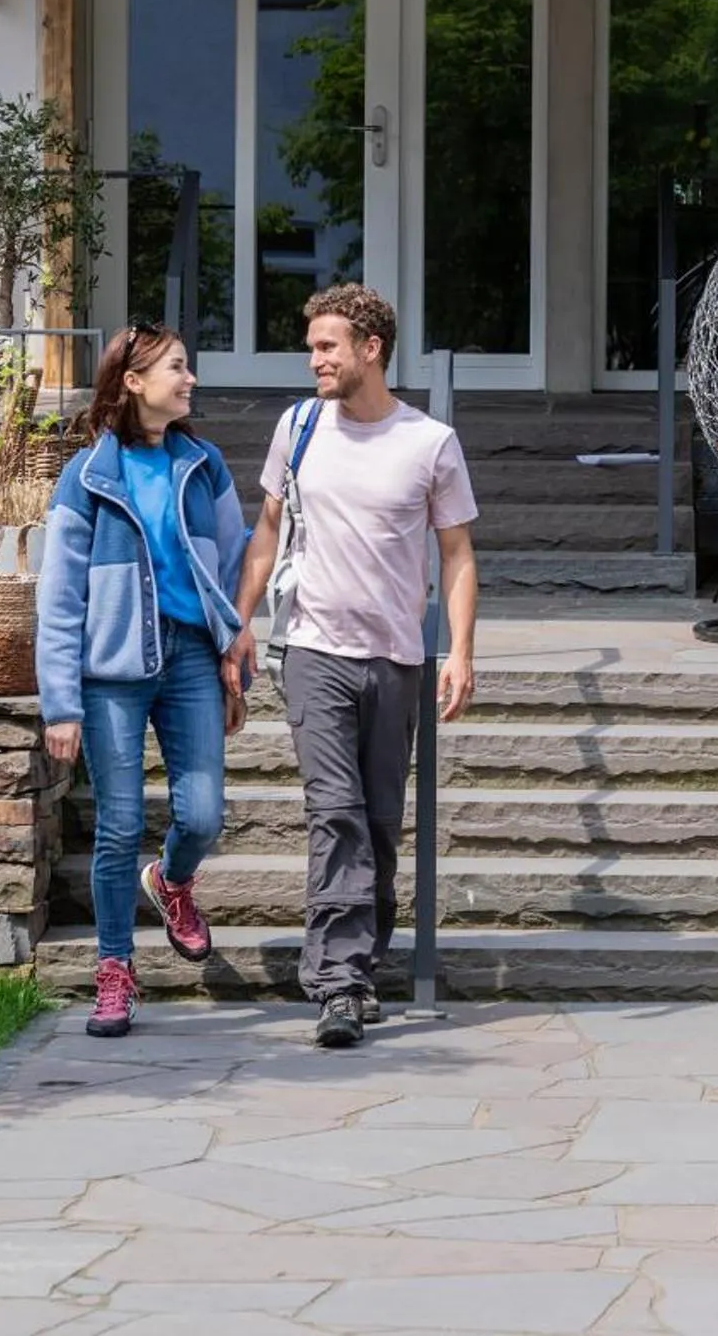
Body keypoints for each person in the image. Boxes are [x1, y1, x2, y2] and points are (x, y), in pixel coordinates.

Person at [228, 284, 479, 1049]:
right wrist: (240, 622)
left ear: (371, 349)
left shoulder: (429, 442)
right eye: (312, 347)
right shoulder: (299, 427)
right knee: (335, 813)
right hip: (313, 651)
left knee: (377, 822)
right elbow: (268, 531)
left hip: (396, 659)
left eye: (327, 346)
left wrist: (460, 651)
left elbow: (458, 554)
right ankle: (338, 983)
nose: (315, 360)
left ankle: (360, 968)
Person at [36, 324, 252, 1038]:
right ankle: (115, 969)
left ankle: (171, 880)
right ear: (133, 382)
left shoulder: (203, 465)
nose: (190, 380)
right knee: (119, 825)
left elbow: (232, 567)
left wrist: (236, 661)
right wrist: (61, 703)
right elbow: (59, 598)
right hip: (113, 671)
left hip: (191, 659)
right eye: (177, 368)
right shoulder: (88, 476)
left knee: (204, 815)